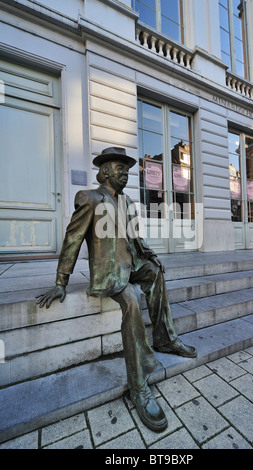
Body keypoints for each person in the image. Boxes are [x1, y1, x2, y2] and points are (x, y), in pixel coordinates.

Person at [36, 147, 197, 433]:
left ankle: (165, 338)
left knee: (156, 272)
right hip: (109, 273)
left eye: (127, 168)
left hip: (130, 263)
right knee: (133, 299)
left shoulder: (128, 201)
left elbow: (135, 237)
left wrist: (149, 256)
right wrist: (61, 282)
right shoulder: (89, 198)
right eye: (120, 168)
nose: (125, 173)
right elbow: (72, 239)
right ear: (107, 171)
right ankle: (139, 386)